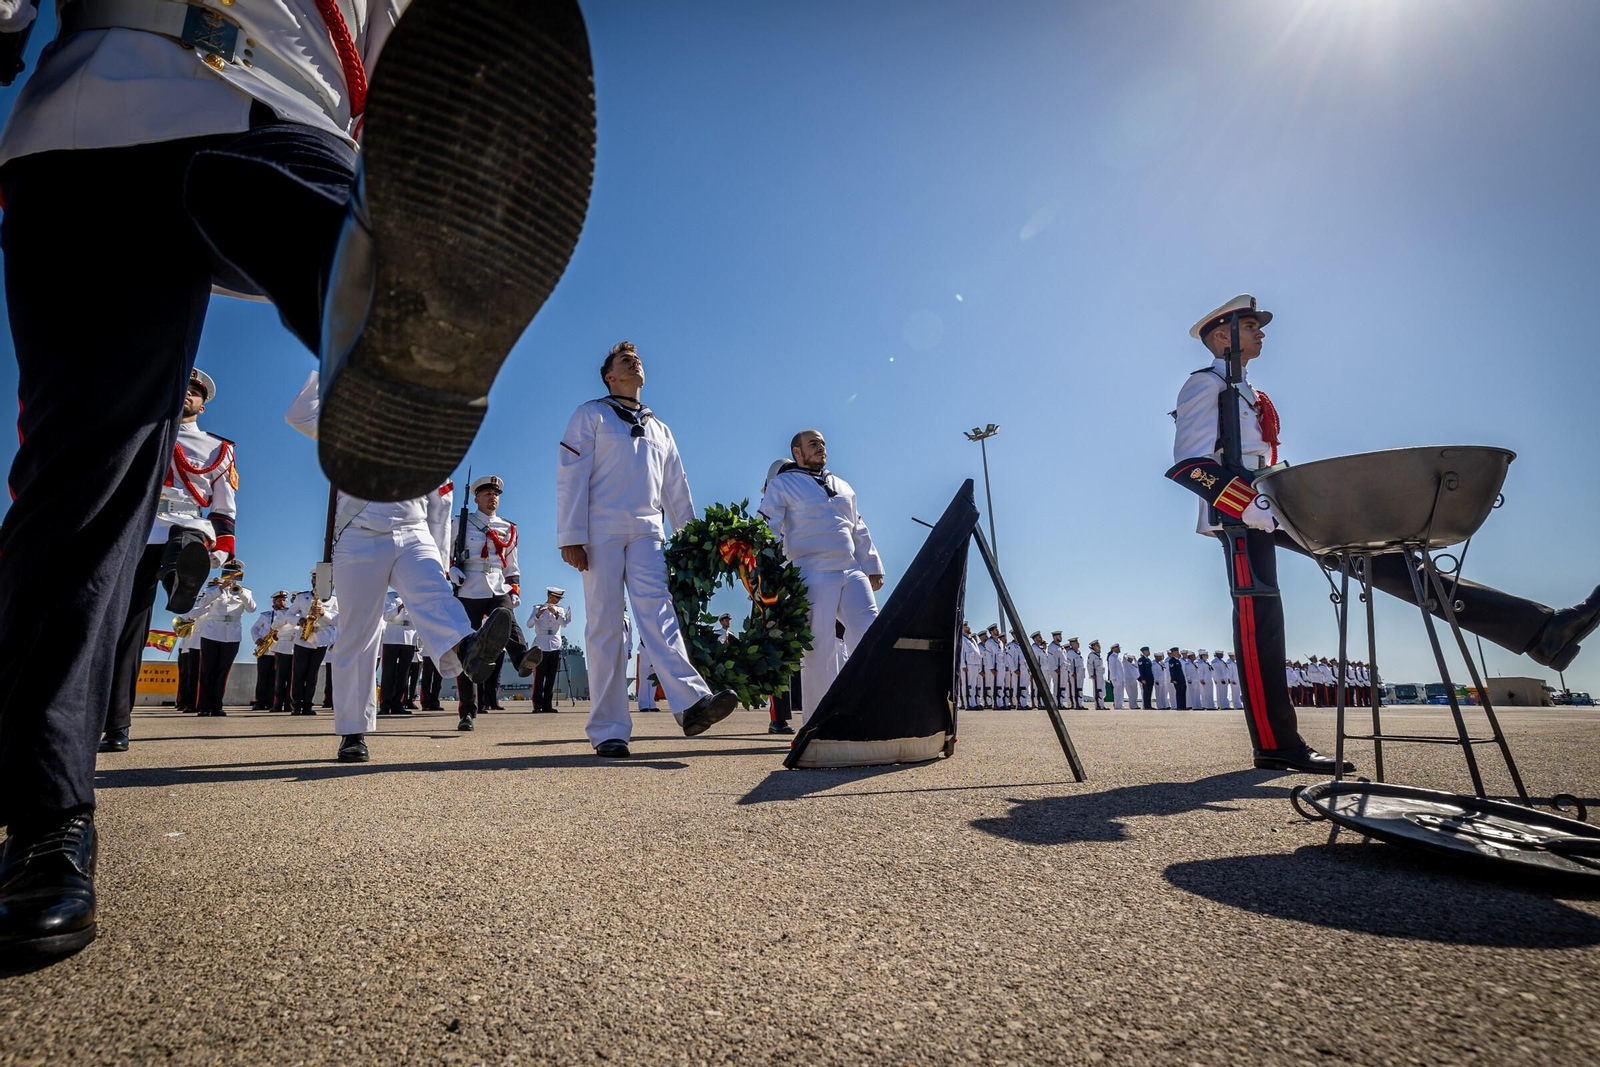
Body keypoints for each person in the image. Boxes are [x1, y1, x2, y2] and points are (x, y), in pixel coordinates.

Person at [0, 0, 598, 963]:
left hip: (286, 112)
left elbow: (415, 59)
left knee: (337, 234)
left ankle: (394, 307)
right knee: (82, 483)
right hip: (99, 103)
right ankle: (44, 816)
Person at [286, 371, 512, 754]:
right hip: (359, 535)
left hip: (414, 532)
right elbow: (300, 415)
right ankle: (353, 732)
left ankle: (467, 647)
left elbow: (440, 510)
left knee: (436, 594)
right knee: (359, 633)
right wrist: (335, 364)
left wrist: (443, 560)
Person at [557, 341, 737, 758]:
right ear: (610, 376)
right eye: (625, 359)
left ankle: (691, 704)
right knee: (605, 625)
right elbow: (571, 474)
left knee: (659, 613)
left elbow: (676, 488)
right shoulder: (592, 414)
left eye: (637, 358)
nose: (634, 362)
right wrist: (570, 535)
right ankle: (609, 730)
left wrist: (691, 539)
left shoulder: (660, 429)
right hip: (600, 530)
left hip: (647, 532)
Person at [101, 367, 237, 750]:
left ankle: (181, 579)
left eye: (196, 392)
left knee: (186, 545)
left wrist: (224, 549)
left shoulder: (218, 449)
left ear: (203, 406)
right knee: (128, 628)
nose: (188, 394)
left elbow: (224, 506)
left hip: (187, 526)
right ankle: (116, 726)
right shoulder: (142, 431)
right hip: (140, 532)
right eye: (184, 387)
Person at [757, 428, 885, 726]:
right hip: (811, 570)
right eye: (813, 444)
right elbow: (767, 527)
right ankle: (817, 724)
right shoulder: (783, 484)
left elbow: (858, 527)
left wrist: (872, 565)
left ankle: (872, 712)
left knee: (871, 634)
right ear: (797, 452)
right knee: (819, 648)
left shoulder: (843, 485)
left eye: (823, 444)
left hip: (851, 569)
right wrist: (768, 569)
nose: (821, 448)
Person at [450, 475, 540, 723]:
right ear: (476, 498)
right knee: (467, 649)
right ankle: (467, 711)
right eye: (488, 494)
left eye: (496, 494)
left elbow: (512, 564)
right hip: (468, 586)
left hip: (497, 585)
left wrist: (515, 589)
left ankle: (522, 659)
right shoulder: (460, 523)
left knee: (506, 616)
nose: (493, 498)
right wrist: (451, 569)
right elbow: (442, 549)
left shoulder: (508, 527)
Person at [189, 562, 256, 717]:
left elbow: (252, 608)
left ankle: (216, 706)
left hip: (232, 635)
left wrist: (241, 593)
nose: (232, 576)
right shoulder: (212, 590)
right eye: (228, 572)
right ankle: (204, 707)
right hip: (211, 634)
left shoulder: (245, 592)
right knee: (207, 671)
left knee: (222, 672)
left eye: (235, 573)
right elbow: (202, 603)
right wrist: (220, 589)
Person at [289, 587, 338, 716]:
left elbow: (337, 620)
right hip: (303, 638)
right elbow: (289, 615)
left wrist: (323, 613)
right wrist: (299, 620)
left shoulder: (333, 600)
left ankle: (307, 705)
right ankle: (296, 705)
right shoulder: (302, 597)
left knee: (312, 674)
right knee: (299, 673)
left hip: (320, 640)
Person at [528, 587, 572, 713]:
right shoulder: (537, 608)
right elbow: (529, 624)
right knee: (539, 677)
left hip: (555, 644)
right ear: (550, 596)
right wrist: (537, 615)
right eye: (556, 597)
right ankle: (537, 705)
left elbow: (564, 624)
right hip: (541, 644)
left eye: (559, 598)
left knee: (551, 677)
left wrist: (556, 614)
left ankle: (547, 705)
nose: (558, 600)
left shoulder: (560, 610)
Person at [250, 591, 293, 710]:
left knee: (278, 678)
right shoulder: (266, 615)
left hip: (281, 650)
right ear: (274, 602)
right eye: (279, 600)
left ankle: (275, 702)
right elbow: (254, 629)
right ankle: (260, 701)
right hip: (266, 650)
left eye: (284, 600)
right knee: (263, 677)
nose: (282, 603)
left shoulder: (289, 615)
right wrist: (258, 639)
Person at [1086, 640, 1106, 710]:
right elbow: (1089, 665)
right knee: (1097, 690)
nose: (1099, 647)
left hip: (1101, 675)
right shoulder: (1092, 655)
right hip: (1096, 675)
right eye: (1097, 645)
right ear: (1093, 647)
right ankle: (1098, 705)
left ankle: (1102, 704)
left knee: (1102, 690)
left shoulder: (1098, 655)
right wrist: (1091, 674)